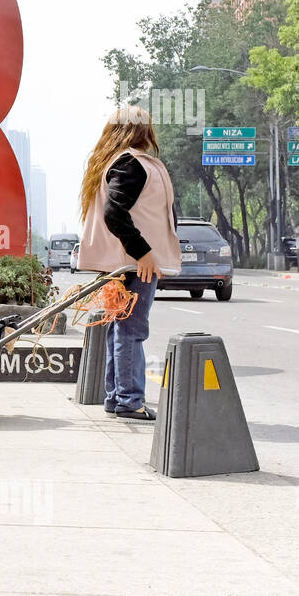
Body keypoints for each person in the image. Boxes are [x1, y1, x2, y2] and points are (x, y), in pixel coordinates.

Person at [77, 105, 180, 422]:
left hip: (123, 263)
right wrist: (144, 252)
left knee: (120, 330)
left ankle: (117, 397)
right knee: (131, 331)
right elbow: (114, 213)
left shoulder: (116, 162)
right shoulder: (133, 165)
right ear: (143, 131)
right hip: (135, 264)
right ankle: (129, 400)